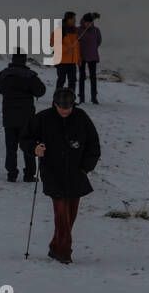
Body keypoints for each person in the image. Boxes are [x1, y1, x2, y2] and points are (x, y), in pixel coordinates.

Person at [22, 88, 100, 264]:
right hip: (52, 172)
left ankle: (55, 246)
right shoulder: (43, 118)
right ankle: (64, 252)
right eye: (62, 108)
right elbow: (25, 139)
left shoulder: (81, 118)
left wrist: (86, 167)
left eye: (69, 108)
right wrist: (34, 148)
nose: (65, 111)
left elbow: (93, 144)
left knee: (70, 215)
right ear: (55, 104)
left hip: (76, 173)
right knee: (61, 214)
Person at [0, 53, 46, 181]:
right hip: (26, 119)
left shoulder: (4, 75)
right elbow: (41, 91)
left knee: (10, 148)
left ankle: (11, 174)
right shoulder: (30, 76)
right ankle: (29, 174)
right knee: (28, 146)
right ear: (24, 61)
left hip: (9, 117)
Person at [76, 12, 102, 104]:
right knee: (82, 77)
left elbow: (98, 41)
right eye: (87, 22)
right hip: (81, 56)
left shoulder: (96, 30)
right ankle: (81, 97)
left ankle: (94, 97)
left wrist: (92, 48)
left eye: (90, 22)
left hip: (92, 56)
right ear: (83, 21)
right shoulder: (78, 30)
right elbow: (75, 41)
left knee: (93, 77)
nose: (88, 24)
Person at [52, 11, 80, 92]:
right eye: (73, 19)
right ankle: (56, 99)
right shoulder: (59, 30)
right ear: (68, 19)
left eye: (75, 19)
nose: (75, 20)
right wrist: (66, 49)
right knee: (61, 80)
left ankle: (71, 100)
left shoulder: (75, 31)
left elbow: (77, 46)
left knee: (72, 81)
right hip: (61, 61)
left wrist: (78, 59)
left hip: (72, 62)